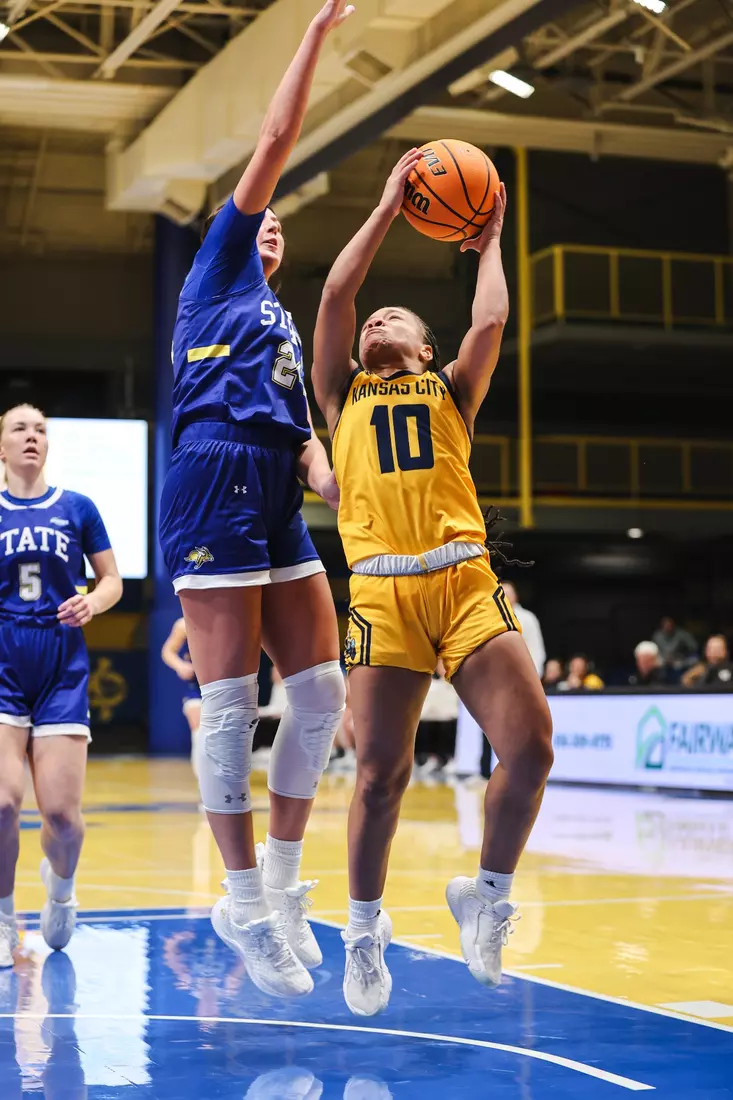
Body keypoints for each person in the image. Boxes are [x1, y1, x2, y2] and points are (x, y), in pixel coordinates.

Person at [312, 153, 553, 1015]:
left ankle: (487, 894)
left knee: (530, 748)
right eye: (377, 315)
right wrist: (384, 205)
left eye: (398, 315)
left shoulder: (452, 390)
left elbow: (490, 320)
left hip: (461, 579)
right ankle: (365, 932)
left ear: (424, 348)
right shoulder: (338, 396)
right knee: (380, 775)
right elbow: (337, 297)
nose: (376, 316)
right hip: (379, 593)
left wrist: (488, 243)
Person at [158, 0, 353, 999]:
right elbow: (277, 136)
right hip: (211, 476)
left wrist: (338, 481)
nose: (271, 216)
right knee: (231, 708)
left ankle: (279, 883)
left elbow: (304, 435)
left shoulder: (271, 317)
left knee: (320, 692)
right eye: (260, 209)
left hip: (275, 484)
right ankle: (239, 898)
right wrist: (315, 34)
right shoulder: (220, 265)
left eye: (279, 218)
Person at [0, 404, 122, 968]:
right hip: (3, 659)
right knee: (2, 805)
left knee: (64, 819)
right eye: (19, 429)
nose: (31, 436)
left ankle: (61, 889)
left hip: (60, 663)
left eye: (40, 430)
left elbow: (111, 580)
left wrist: (92, 602)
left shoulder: (77, 507)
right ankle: (4, 919)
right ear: (2, 448)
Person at [451, 581, 544, 778]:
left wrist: (532, 680)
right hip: (493, 682)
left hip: (520, 682)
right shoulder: (488, 617)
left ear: (516, 597)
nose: (504, 596)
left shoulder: (526, 619)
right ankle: (485, 772)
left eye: (507, 593)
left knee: (519, 728)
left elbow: (536, 651)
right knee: (489, 727)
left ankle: (518, 772)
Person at [161, 615, 202, 775]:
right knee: (199, 732)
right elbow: (168, 651)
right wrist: (181, 666)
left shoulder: (227, 621)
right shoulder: (183, 624)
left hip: (222, 684)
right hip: (195, 686)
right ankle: (203, 785)